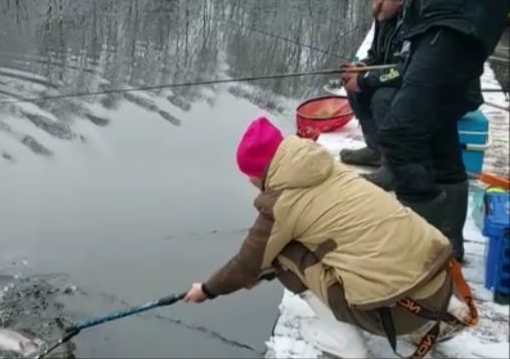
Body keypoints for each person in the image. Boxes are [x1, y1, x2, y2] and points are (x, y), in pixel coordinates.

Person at [184, 116, 478, 359]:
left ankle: (344, 341)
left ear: (258, 174)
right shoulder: (326, 167)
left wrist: (208, 289)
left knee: (281, 253)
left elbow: (246, 264)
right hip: (440, 284)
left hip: (396, 314)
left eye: (250, 178)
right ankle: (441, 310)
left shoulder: (281, 203)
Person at [375, 0, 508, 257]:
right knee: (439, 139)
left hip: (458, 29)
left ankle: (426, 245)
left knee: (399, 132)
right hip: (434, 29)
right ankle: (450, 244)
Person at [338, 0, 411, 188]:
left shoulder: (411, 23)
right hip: (397, 77)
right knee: (354, 85)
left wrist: (365, 80)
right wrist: (361, 68)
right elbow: (377, 56)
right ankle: (375, 150)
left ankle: (393, 166)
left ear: (399, 0)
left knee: (382, 96)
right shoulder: (384, 18)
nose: (375, 4)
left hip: (418, 87)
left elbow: (403, 70)